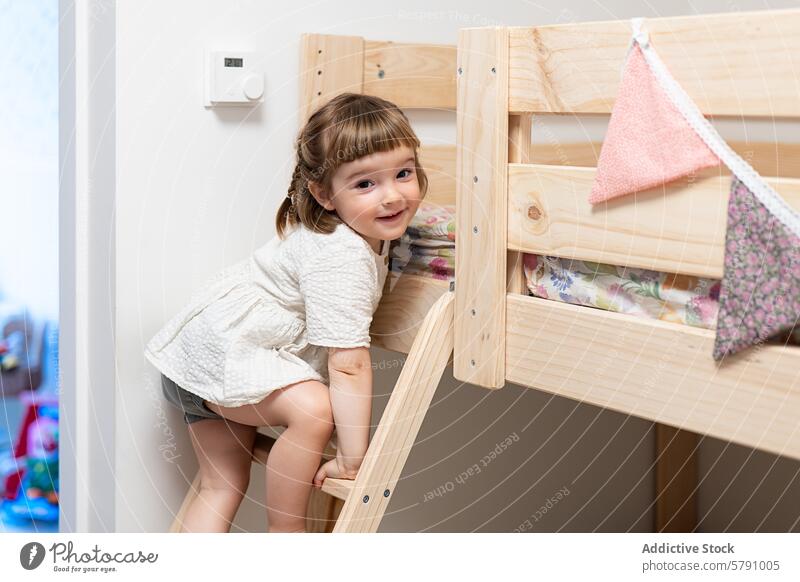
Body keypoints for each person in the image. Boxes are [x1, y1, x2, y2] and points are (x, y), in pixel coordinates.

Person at [145, 92, 427, 533]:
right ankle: (286, 532)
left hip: (195, 361)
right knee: (315, 408)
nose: (392, 196)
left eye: (404, 173)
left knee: (221, 486)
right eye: (365, 184)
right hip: (223, 361)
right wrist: (352, 459)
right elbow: (348, 364)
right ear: (324, 194)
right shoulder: (342, 254)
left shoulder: (349, 232)